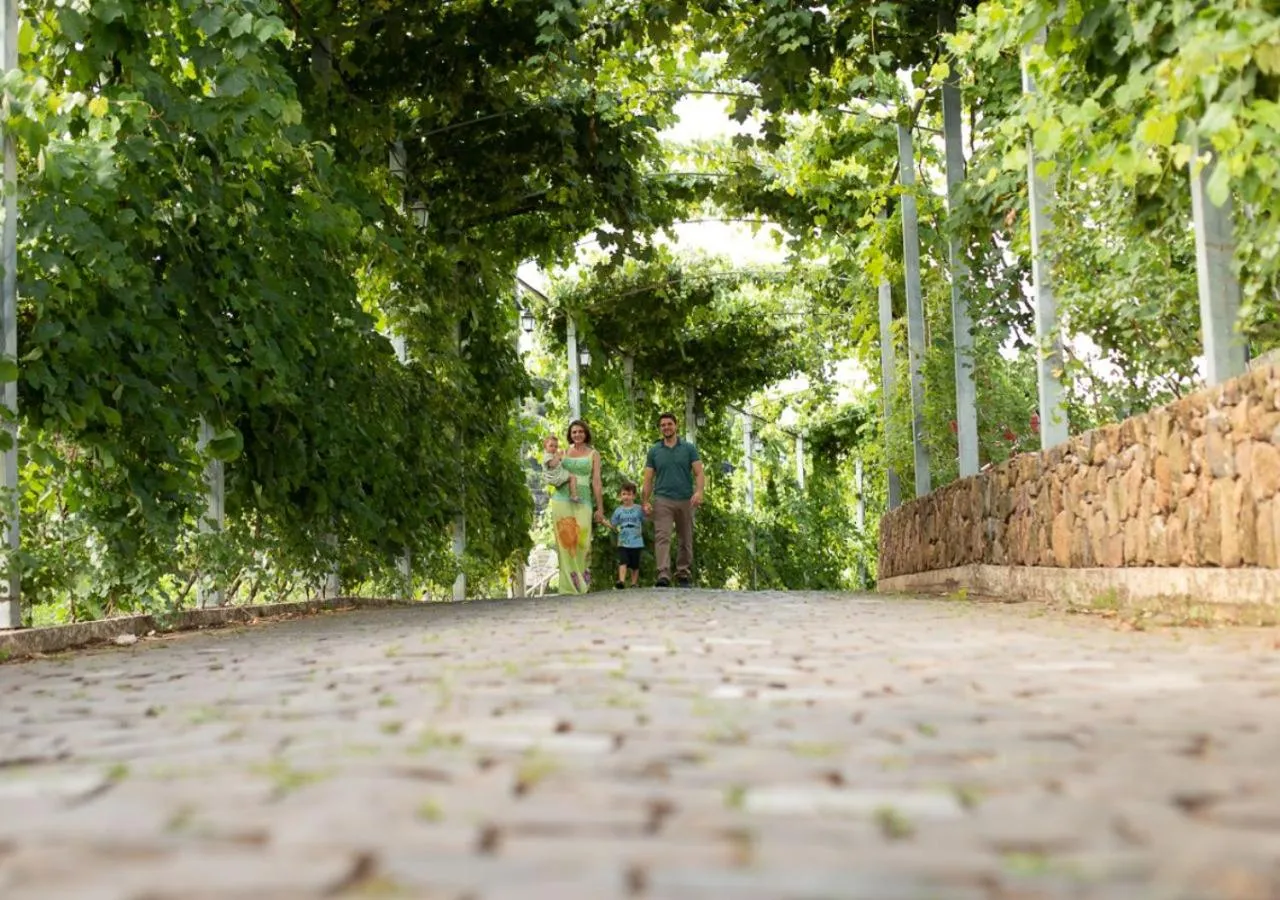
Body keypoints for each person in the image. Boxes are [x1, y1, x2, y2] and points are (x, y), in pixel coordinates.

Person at [641, 412, 705, 588]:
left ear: (676, 426)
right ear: (660, 428)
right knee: (662, 536)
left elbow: (699, 472)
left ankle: (683, 572)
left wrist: (699, 492)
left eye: (669, 424)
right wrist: (645, 501)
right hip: (663, 500)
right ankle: (663, 574)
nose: (666, 427)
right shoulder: (654, 451)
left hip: (686, 500)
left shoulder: (688, 448)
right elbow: (648, 479)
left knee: (685, 538)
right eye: (663, 425)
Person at [549, 419, 605, 594]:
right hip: (561, 499)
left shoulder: (594, 454)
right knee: (565, 543)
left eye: (580, 431)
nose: (577, 434)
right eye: (574, 432)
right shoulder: (563, 452)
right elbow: (550, 468)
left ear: (586, 433)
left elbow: (596, 481)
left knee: (582, 541)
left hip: (584, 499)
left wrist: (600, 508)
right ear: (570, 435)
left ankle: (581, 583)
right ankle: (567, 587)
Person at [609, 482, 645, 589]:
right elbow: (613, 525)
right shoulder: (618, 510)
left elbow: (646, 518)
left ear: (634, 496)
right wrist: (603, 521)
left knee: (635, 564)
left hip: (636, 542)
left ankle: (634, 583)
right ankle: (621, 581)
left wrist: (648, 510)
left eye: (629, 494)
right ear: (620, 496)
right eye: (624, 494)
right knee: (623, 561)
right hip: (623, 542)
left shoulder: (639, 509)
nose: (626, 497)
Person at [541, 435, 579, 502]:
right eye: (551, 446)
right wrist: (558, 456)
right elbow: (552, 464)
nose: (554, 448)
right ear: (545, 447)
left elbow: (560, 461)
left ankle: (570, 492)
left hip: (556, 474)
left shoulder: (552, 454)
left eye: (556, 446)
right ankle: (573, 496)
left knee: (569, 473)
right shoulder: (547, 455)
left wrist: (561, 455)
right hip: (555, 477)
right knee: (573, 477)